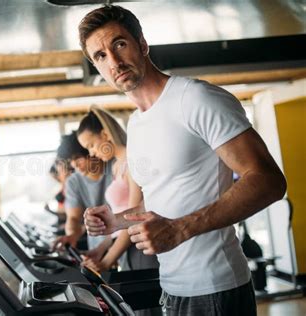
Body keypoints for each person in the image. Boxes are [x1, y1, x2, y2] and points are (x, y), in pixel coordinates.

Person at [79, 5, 286, 316]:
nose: (114, 61)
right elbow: (164, 199)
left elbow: (268, 181)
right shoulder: (137, 123)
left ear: (142, 45)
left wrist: (179, 230)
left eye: (119, 44)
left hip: (216, 287)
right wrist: (116, 220)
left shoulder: (196, 99)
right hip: (172, 288)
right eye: (100, 56)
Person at [77, 105, 158, 272]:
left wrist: (106, 261)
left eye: (91, 145)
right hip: (125, 248)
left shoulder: (132, 161)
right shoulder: (116, 166)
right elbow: (118, 221)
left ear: (105, 135)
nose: (92, 153)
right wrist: (100, 251)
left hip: (140, 248)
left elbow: (133, 217)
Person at [53, 131, 113, 250]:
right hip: (97, 249)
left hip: (124, 241)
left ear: (90, 150)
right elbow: (74, 218)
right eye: (70, 160)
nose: (74, 164)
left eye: (78, 158)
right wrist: (71, 235)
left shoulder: (114, 168)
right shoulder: (73, 182)